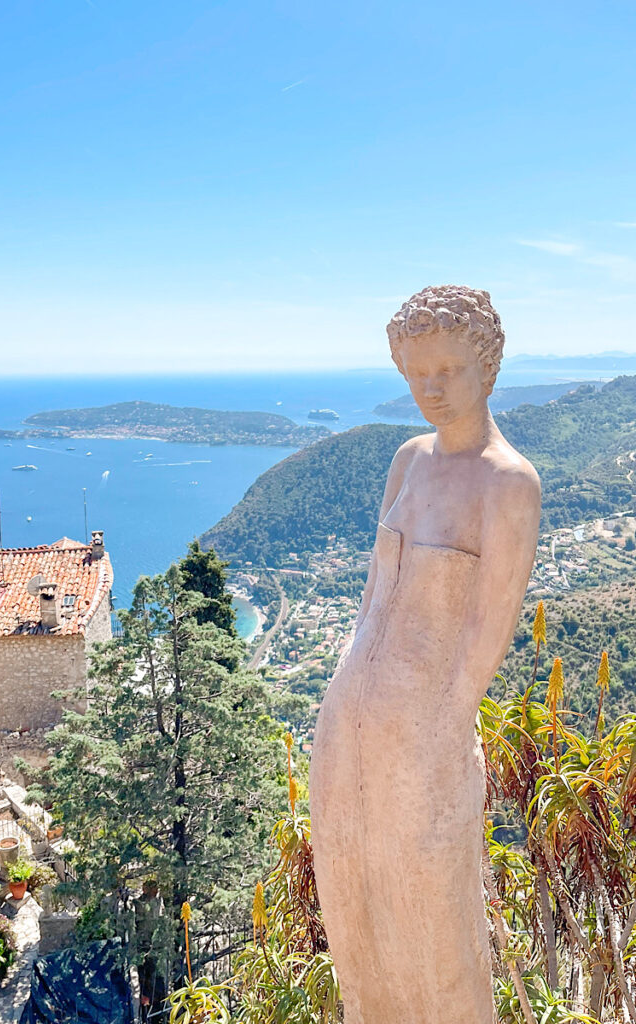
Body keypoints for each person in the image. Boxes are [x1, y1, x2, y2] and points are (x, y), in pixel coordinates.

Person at [310, 285, 541, 1024]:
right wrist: (340, 699)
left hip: (426, 738)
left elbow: (486, 636)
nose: (430, 388)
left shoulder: (508, 484)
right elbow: (372, 597)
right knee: (355, 915)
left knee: (436, 934)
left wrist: (441, 734)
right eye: (416, 373)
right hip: (350, 722)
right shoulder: (407, 459)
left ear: (487, 366)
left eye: (446, 369)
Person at [133, 879, 167, 1022]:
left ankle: (159, 1011)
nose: (155, 891)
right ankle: (147, 1012)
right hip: (144, 947)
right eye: (151, 889)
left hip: (158, 947)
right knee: (146, 981)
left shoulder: (159, 902)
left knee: (158, 982)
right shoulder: (139, 903)